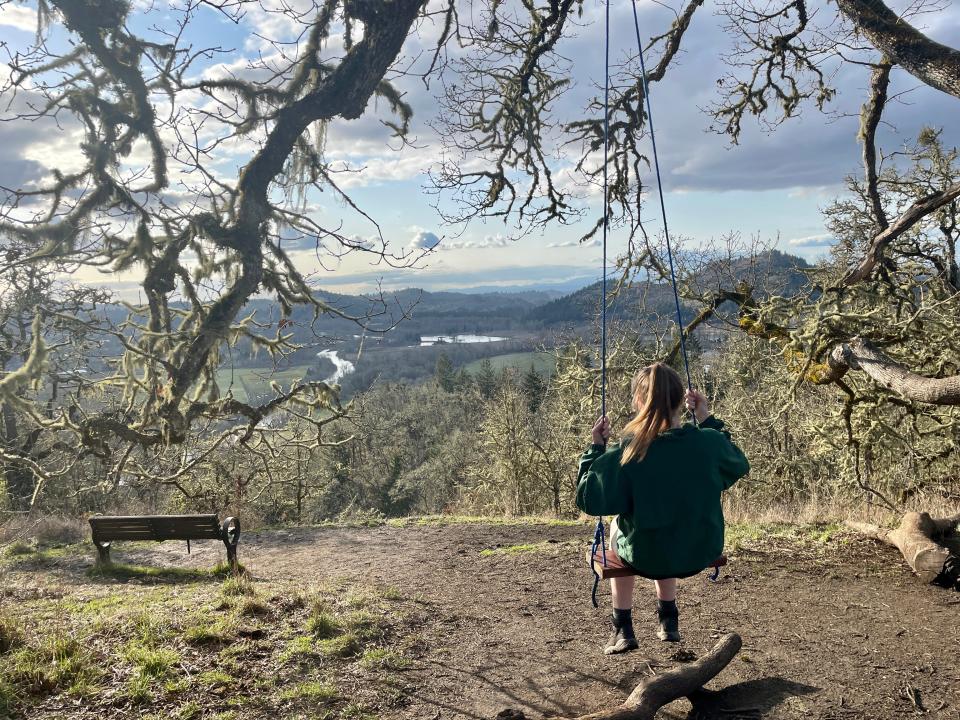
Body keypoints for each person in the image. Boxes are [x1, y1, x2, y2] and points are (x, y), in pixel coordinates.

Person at [576, 362, 749, 654]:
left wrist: (595, 450)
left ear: (640, 402)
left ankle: (622, 627)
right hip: (700, 549)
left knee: (622, 523)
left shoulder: (629, 451)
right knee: (666, 515)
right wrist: (705, 418)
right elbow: (737, 461)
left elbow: (589, 499)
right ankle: (668, 620)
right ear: (682, 399)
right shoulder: (706, 443)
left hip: (648, 555)